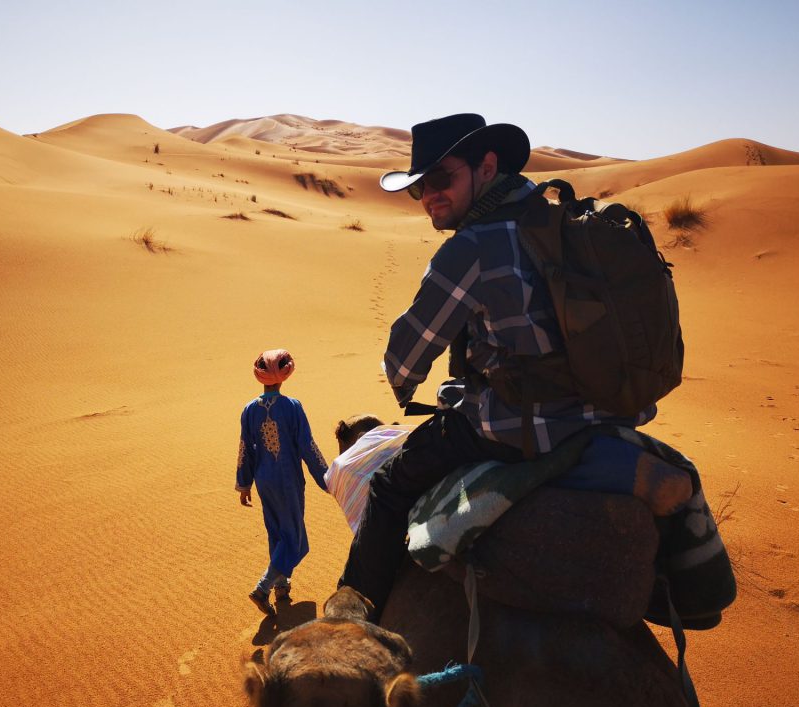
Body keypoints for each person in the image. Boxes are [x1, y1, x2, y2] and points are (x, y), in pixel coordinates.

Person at [338, 113, 658, 619]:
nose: (429, 197)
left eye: (442, 179)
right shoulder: (564, 223)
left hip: (517, 429)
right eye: (418, 188)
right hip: (612, 415)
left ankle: (352, 625)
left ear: (486, 167)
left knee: (388, 485)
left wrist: (405, 384)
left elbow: (405, 357)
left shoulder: (472, 247)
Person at [237, 349, 329, 617]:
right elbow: (307, 446)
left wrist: (244, 485)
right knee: (296, 539)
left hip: (264, 480)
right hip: (288, 479)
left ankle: (282, 585)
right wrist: (326, 477)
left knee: (276, 532)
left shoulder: (249, 409)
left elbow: (245, 449)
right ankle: (263, 587)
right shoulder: (292, 406)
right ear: (285, 375)